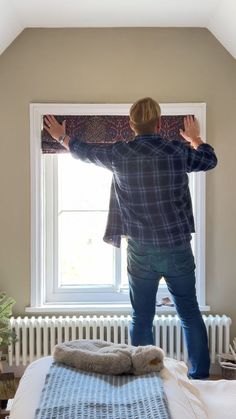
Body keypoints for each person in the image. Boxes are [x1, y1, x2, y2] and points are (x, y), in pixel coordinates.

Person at [44, 97, 217, 379]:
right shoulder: (175, 150)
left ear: (131, 125)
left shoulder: (120, 153)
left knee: (142, 316)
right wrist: (196, 138)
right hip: (177, 248)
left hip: (141, 252)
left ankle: (143, 378)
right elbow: (209, 159)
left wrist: (61, 136)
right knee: (189, 312)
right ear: (159, 123)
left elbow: (84, 151)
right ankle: (200, 377)